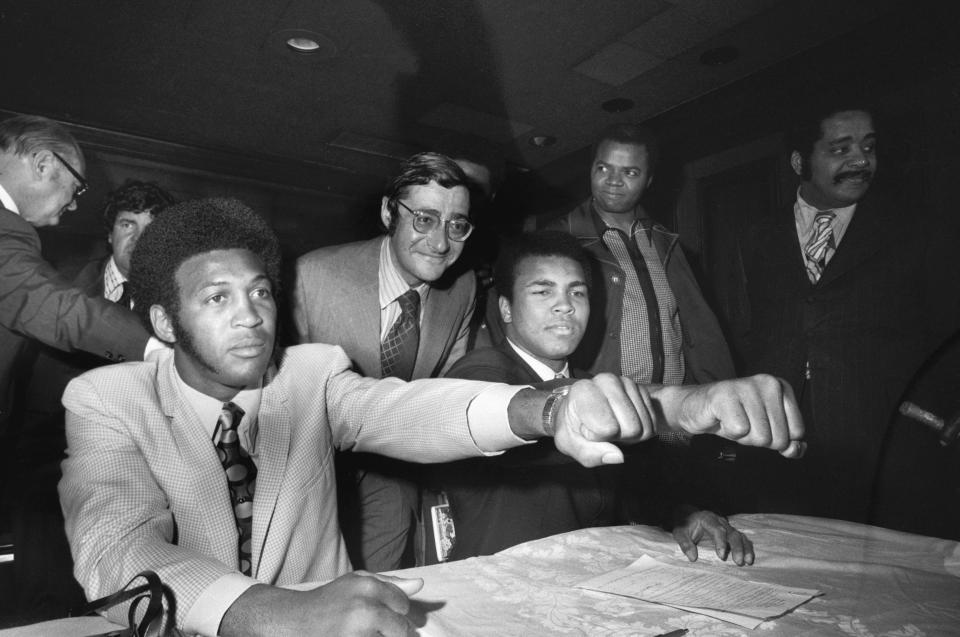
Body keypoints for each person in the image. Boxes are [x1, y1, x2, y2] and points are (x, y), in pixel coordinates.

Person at [59, 198, 804, 635]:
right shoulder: (104, 399)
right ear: (162, 320)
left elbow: (410, 409)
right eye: (216, 298)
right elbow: (117, 549)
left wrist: (546, 407)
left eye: (259, 292)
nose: (252, 315)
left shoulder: (311, 373)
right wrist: (269, 610)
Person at [437, 231, 753, 564]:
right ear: (506, 308)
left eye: (577, 292)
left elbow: (639, 486)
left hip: (593, 579)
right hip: (500, 586)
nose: (565, 305)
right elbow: (514, 404)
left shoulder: (596, 385)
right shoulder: (479, 373)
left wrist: (685, 515)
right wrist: (687, 403)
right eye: (543, 291)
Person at [733, 104, 958, 522]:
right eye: (841, 149)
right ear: (800, 161)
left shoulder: (916, 230)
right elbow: (746, 331)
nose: (861, 161)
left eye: (868, 147)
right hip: (781, 445)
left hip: (880, 450)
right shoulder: (755, 236)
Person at [291, 152, 476, 571]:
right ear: (389, 212)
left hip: (396, 475)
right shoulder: (313, 276)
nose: (441, 243)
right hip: (314, 473)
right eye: (424, 219)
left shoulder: (462, 288)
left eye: (456, 225)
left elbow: (449, 389)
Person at [540, 124, 734, 385]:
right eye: (603, 168)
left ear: (649, 180)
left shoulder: (666, 244)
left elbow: (700, 333)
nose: (613, 180)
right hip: (606, 411)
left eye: (629, 172)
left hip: (673, 412)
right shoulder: (558, 240)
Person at [74, 179, 175, 306]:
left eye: (151, 229)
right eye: (127, 225)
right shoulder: (66, 286)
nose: (138, 238)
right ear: (110, 234)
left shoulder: (179, 299)